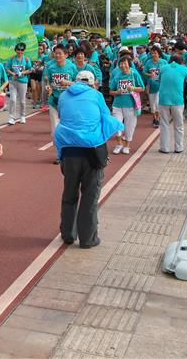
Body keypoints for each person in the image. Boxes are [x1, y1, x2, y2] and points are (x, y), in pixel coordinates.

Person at [54, 70, 123, 248]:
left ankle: (68, 234)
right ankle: (88, 238)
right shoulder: (96, 95)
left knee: (69, 194)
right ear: (93, 83)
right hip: (92, 151)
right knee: (89, 197)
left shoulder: (63, 96)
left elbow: (62, 116)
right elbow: (105, 116)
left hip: (68, 150)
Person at [43, 43, 78, 153]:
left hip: (68, 101)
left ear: (66, 55)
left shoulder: (72, 66)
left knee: (67, 127)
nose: (57, 56)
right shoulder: (51, 66)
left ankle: (69, 150)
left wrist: (67, 82)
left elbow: (77, 83)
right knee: (55, 130)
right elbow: (48, 80)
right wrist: (48, 85)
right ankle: (59, 153)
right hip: (54, 100)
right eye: (55, 53)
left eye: (60, 54)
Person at [108, 56, 145, 155]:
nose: (123, 65)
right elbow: (111, 91)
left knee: (129, 127)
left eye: (125, 63)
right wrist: (117, 92)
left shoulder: (134, 74)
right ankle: (119, 144)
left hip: (130, 105)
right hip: (117, 105)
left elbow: (142, 88)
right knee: (116, 125)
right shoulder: (117, 76)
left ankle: (127, 145)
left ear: (129, 64)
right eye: (121, 64)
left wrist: (133, 88)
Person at [158, 54, 187, 154]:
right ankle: (179, 147)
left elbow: (159, 79)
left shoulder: (163, 68)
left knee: (164, 124)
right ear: (181, 61)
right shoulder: (184, 68)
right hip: (177, 100)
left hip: (163, 99)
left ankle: (164, 148)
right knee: (179, 125)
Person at [5, 42, 32, 125]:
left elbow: (30, 69)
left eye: (21, 50)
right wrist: (12, 73)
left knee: (22, 101)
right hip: (13, 81)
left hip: (23, 82)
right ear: (15, 50)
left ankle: (22, 116)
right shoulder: (12, 58)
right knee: (12, 99)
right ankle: (11, 117)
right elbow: (7, 68)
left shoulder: (26, 59)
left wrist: (22, 73)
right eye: (18, 49)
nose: (20, 51)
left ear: (23, 51)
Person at [144, 45, 167, 128]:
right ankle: (154, 117)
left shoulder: (164, 62)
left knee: (158, 103)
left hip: (161, 86)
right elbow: (144, 72)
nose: (153, 54)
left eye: (155, 53)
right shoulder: (148, 62)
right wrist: (150, 74)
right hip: (151, 86)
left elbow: (167, 72)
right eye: (152, 53)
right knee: (152, 104)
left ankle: (157, 118)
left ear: (159, 54)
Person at [30, 43, 48, 110]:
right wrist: (31, 68)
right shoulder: (33, 56)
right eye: (38, 49)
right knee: (34, 88)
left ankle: (40, 100)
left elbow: (45, 65)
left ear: (43, 50)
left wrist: (42, 67)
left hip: (40, 74)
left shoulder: (44, 57)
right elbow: (30, 64)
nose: (39, 50)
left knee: (40, 89)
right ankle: (34, 102)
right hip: (33, 73)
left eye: (40, 49)